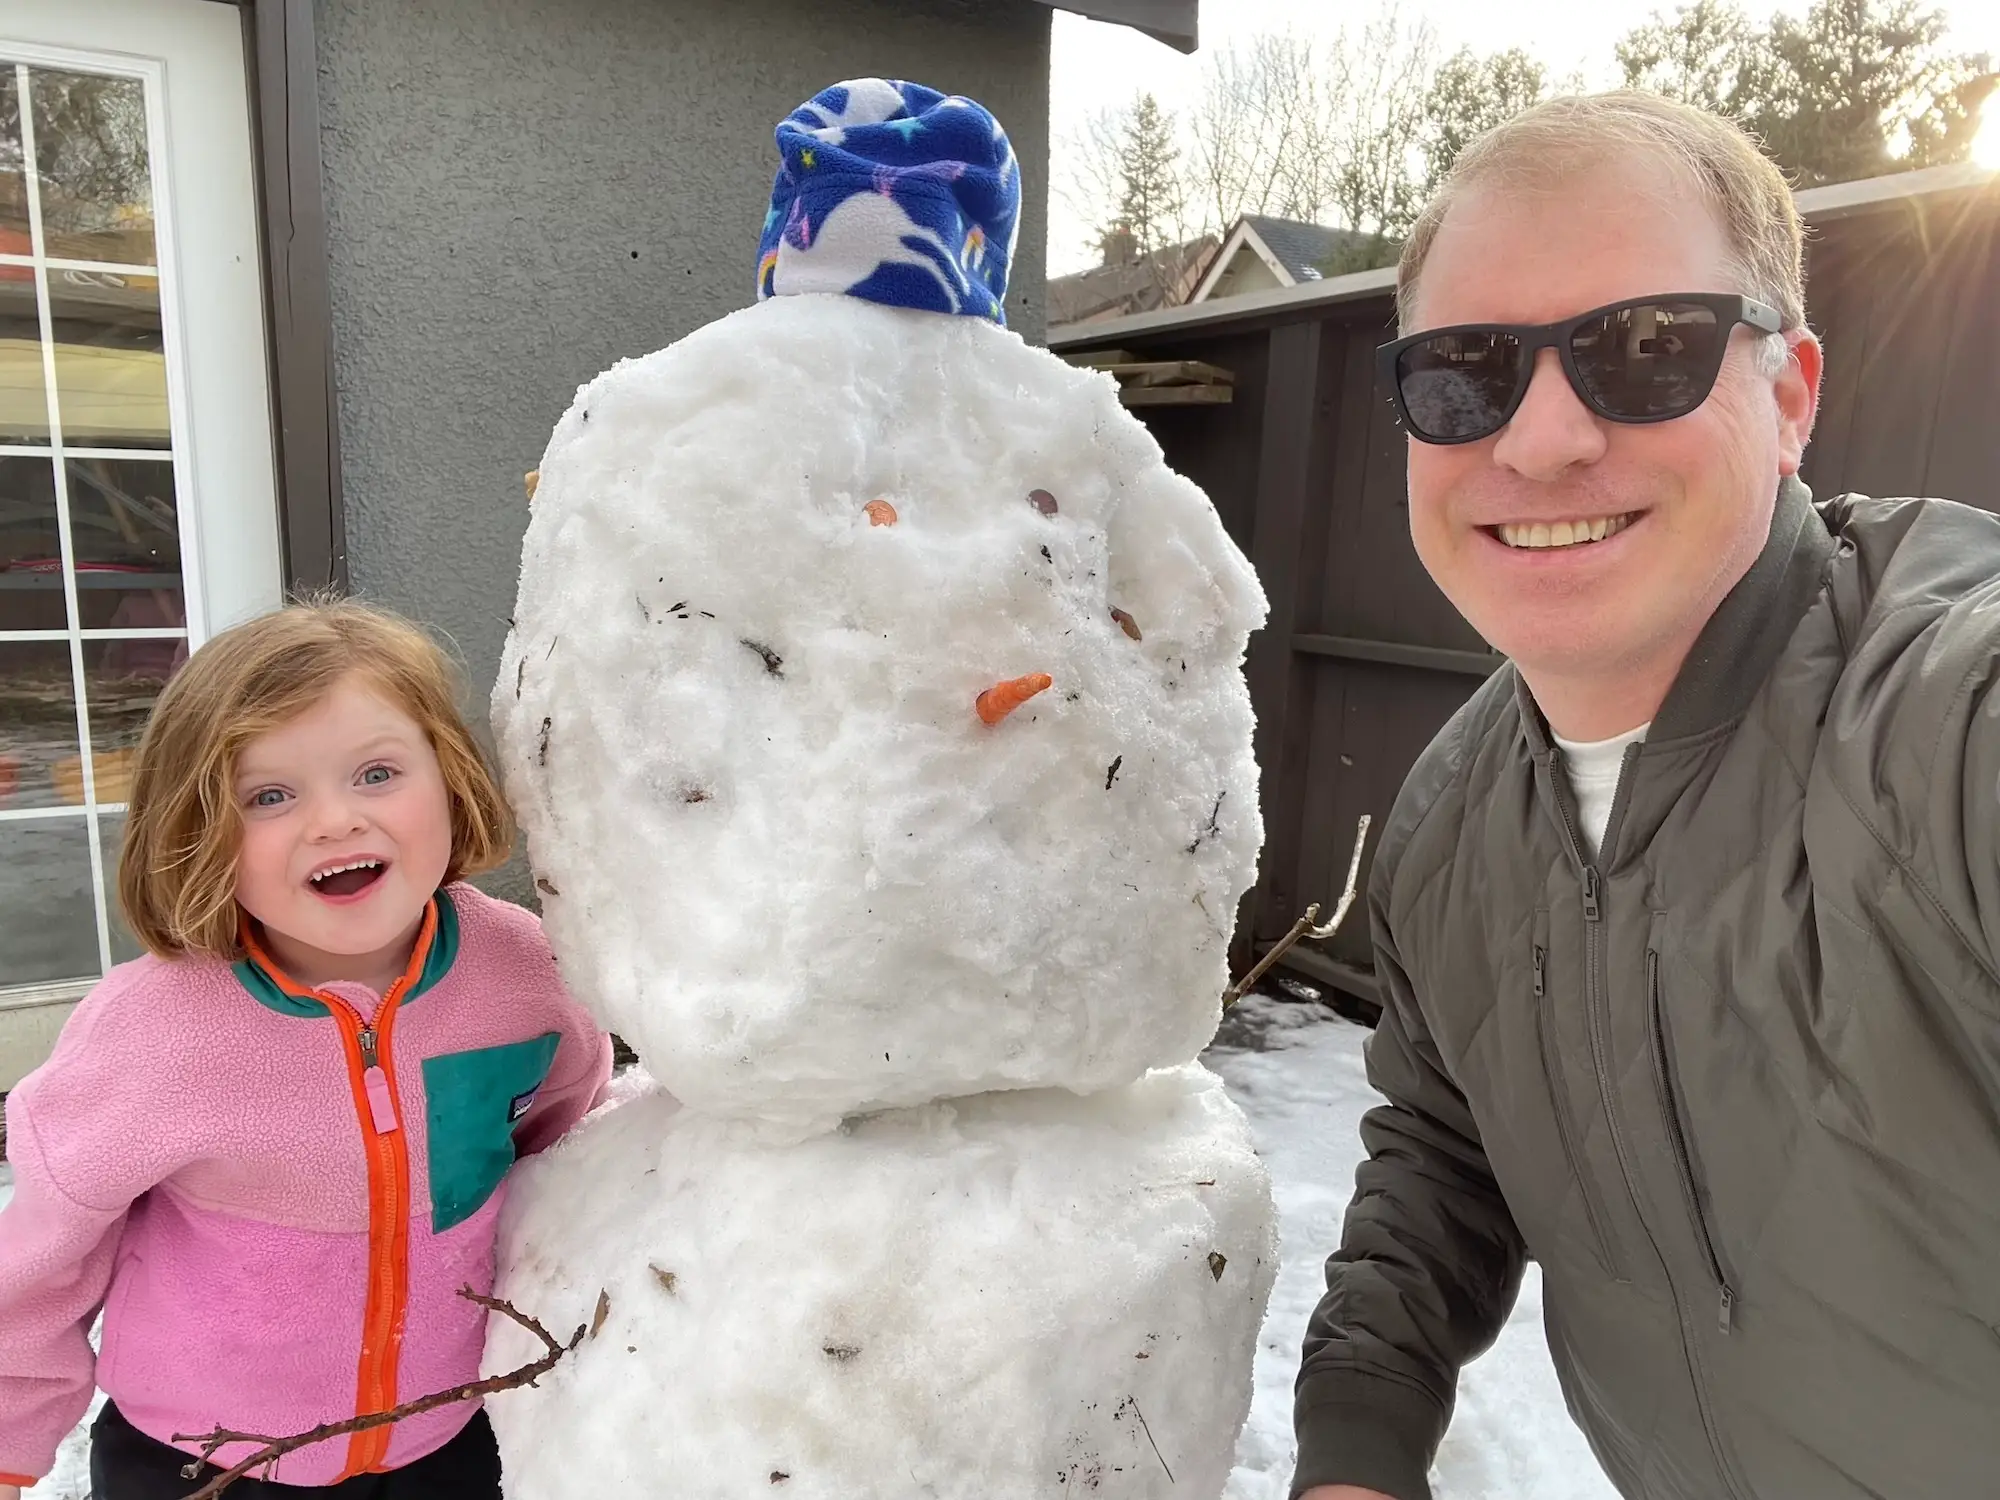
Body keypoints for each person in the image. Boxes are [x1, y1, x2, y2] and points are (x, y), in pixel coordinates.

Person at [1293, 90, 2000, 1500]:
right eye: (1464, 372)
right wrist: (1358, 1442)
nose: (1541, 440)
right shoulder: (1452, 816)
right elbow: (1451, 1136)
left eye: (1646, 349)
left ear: (1790, 393)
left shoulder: (1942, 719)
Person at [0, 599, 612, 1499]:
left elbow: (560, 1145)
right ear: (198, 830)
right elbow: (48, 1257)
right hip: (201, 1458)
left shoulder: (525, 973)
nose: (335, 822)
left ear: (450, 779)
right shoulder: (156, 1030)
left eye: (376, 773)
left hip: (447, 1439)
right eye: (270, 796)